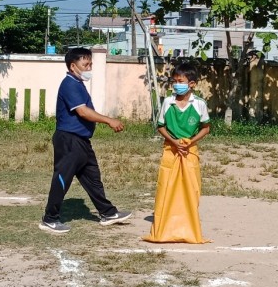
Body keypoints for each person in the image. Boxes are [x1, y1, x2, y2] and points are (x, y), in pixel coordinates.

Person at [40, 48, 131, 234]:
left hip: (82, 141)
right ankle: (50, 219)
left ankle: (107, 213)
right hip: (69, 140)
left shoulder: (78, 83)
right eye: (85, 64)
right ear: (73, 66)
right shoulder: (69, 84)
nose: (89, 67)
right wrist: (109, 120)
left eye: (90, 64)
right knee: (62, 178)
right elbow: (82, 111)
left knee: (93, 178)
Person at [144, 64, 210, 244]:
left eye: (180, 81)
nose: (176, 85)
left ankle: (189, 227)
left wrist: (191, 141)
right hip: (170, 150)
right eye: (174, 81)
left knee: (191, 188)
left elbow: (206, 128)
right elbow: (161, 126)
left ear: (192, 84)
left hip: (190, 151)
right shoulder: (168, 102)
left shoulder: (199, 104)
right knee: (166, 186)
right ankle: (164, 227)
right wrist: (174, 142)